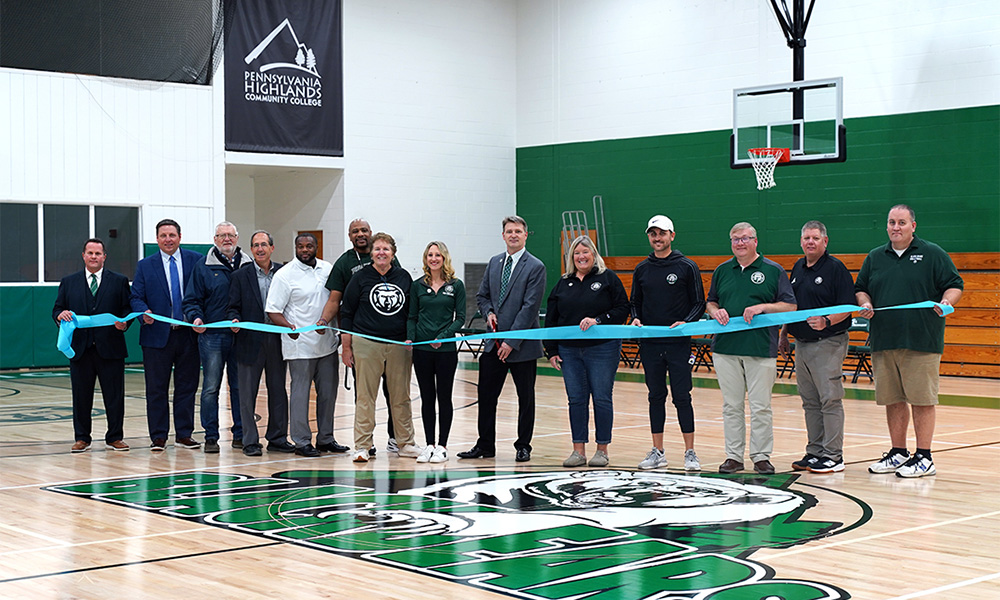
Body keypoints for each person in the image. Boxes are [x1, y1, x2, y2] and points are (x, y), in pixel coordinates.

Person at [856, 205, 963, 478]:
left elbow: (954, 284)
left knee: (922, 400)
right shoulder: (875, 257)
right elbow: (861, 288)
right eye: (892, 222)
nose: (896, 227)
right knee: (893, 400)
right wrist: (865, 302)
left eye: (902, 222)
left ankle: (924, 457)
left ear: (913, 225)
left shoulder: (933, 253)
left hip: (921, 339)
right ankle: (898, 452)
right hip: (884, 339)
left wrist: (946, 301)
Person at [706, 222, 796, 475]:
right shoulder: (723, 270)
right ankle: (733, 457)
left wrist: (763, 307)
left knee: (761, 406)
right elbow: (711, 302)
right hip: (725, 348)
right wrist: (715, 312)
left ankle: (761, 456)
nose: (740, 243)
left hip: (760, 348)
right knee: (731, 406)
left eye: (745, 239)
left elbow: (790, 307)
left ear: (755, 241)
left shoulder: (773, 270)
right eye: (735, 239)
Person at [458, 216, 546, 463]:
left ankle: (523, 446)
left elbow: (530, 308)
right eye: (509, 231)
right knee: (486, 396)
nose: (513, 235)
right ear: (503, 235)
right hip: (492, 345)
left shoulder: (536, 266)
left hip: (521, 346)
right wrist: (489, 313)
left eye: (518, 231)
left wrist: (510, 342)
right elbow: (482, 295)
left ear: (526, 235)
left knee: (525, 398)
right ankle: (485, 444)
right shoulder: (495, 262)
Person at [544, 236, 629, 468]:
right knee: (576, 400)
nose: (581, 257)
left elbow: (623, 309)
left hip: (603, 349)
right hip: (569, 352)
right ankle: (578, 451)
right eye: (576, 253)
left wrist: (598, 320)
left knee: (601, 398)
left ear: (594, 254)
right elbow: (551, 319)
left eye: (585, 252)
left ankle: (602, 450)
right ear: (571, 258)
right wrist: (551, 350)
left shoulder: (608, 278)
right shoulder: (563, 282)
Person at [779, 221, 856, 474]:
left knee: (829, 400)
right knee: (810, 401)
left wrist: (826, 322)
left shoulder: (836, 269)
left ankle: (834, 456)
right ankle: (815, 452)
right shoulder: (798, 267)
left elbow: (847, 308)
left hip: (828, 343)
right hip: (801, 344)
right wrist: (784, 334)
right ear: (801, 242)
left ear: (825, 241)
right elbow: (793, 306)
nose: (810, 242)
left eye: (815, 238)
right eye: (806, 238)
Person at [629, 215, 705, 471]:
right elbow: (634, 303)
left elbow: (699, 303)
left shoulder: (687, 266)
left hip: (678, 344)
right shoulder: (641, 269)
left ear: (672, 235)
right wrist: (636, 318)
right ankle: (657, 451)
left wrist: (686, 322)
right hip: (650, 344)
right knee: (655, 396)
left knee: (682, 396)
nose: (657, 238)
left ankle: (690, 452)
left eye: (662, 233)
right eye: (653, 233)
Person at [320, 218, 398, 454]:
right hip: (363, 340)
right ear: (349, 235)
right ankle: (367, 442)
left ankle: (395, 438)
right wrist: (325, 322)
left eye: (364, 230)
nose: (360, 234)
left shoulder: (387, 258)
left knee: (394, 392)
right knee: (365, 394)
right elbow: (336, 301)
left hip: (392, 340)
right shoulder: (344, 263)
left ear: (371, 233)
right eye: (355, 231)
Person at [340, 232, 419, 462]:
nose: (381, 253)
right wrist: (347, 347)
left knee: (401, 397)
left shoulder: (404, 277)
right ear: (371, 254)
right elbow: (347, 312)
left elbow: (411, 312)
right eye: (377, 249)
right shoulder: (360, 278)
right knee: (365, 397)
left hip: (398, 346)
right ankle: (363, 446)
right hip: (366, 344)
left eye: (386, 249)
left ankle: (405, 443)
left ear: (393, 253)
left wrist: (410, 338)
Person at [264, 233, 346, 457]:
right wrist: (289, 327)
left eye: (309, 246)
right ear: (295, 248)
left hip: (327, 344)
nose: (305, 250)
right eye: (300, 246)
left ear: (316, 247)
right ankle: (301, 442)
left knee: (328, 394)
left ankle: (326, 438)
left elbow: (336, 301)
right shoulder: (285, 275)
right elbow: (273, 310)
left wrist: (331, 325)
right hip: (299, 347)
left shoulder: (328, 269)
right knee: (300, 396)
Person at [53, 238, 132, 452]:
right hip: (81, 349)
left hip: (111, 348)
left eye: (98, 253)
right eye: (90, 253)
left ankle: (115, 437)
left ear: (104, 256)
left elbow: (127, 309)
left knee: (115, 396)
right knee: (81, 396)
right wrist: (61, 315)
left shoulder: (119, 281)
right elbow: (58, 309)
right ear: (83, 256)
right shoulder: (69, 282)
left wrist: (125, 323)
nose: (94, 257)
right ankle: (82, 438)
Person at [130, 219, 203, 452]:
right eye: (163, 236)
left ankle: (184, 434)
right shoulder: (145, 265)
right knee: (156, 388)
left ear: (180, 237)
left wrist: (199, 317)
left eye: (172, 235)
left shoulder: (196, 260)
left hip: (188, 335)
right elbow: (135, 297)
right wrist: (144, 313)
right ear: (157, 239)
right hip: (156, 336)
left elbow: (203, 293)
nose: (168, 239)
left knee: (187, 387)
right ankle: (158, 436)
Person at [182, 221, 252, 453]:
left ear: (237, 237)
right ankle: (211, 436)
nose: (226, 239)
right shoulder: (203, 266)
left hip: (242, 338)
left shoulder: (249, 265)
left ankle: (241, 434)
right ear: (215, 239)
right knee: (211, 388)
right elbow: (191, 300)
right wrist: (196, 319)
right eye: (221, 236)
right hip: (212, 337)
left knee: (240, 388)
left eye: (230, 235)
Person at [227, 230, 295, 457]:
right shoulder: (240, 275)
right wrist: (233, 319)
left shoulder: (284, 273)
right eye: (255, 245)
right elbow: (232, 306)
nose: (260, 249)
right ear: (251, 249)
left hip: (276, 340)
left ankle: (277, 438)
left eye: (264, 244)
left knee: (278, 391)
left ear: (272, 248)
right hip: (249, 341)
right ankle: (250, 441)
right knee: (247, 394)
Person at [406, 241, 466, 464]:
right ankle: (429, 444)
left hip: (446, 351)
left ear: (444, 258)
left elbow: (460, 317)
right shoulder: (417, 286)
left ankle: (442, 446)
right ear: (426, 258)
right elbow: (412, 316)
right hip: (422, 350)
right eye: (430, 255)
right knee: (427, 397)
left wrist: (442, 337)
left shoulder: (456, 285)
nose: (433, 258)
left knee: (445, 397)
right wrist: (411, 337)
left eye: (437, 255)